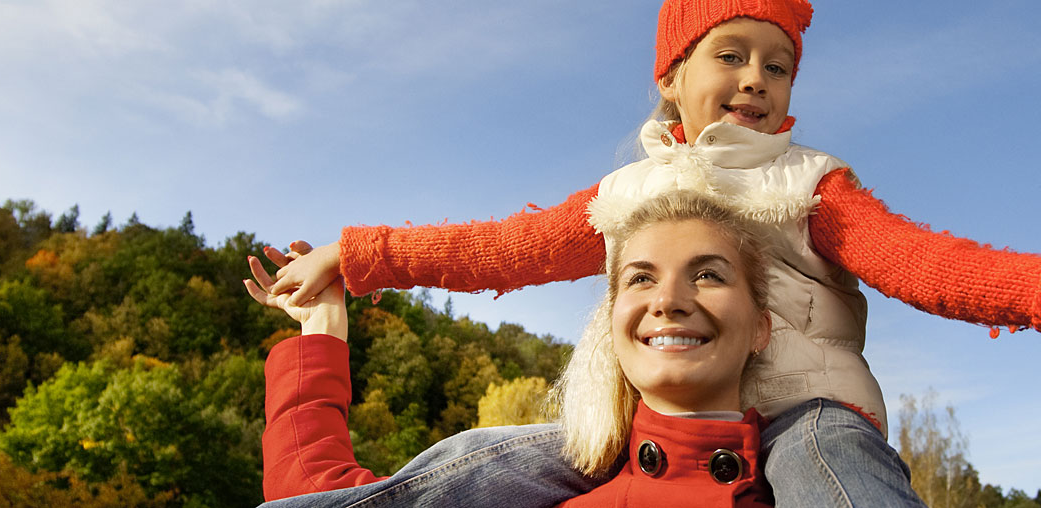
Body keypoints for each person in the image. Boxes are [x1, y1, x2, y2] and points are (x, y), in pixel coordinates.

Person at [259, 0, 1041, 505]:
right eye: (731, 55)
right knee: (474, 462)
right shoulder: (626, 192)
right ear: (673, 74)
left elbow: (929, 265)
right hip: (652, 430)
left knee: (842, 477)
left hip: (803, 417)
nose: (756, 80)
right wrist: (358, 256)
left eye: (778, 66)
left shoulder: (809, 183)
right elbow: (500, 249)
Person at [251, 192, 784, 507]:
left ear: (761, 328)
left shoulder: (833, 485)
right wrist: (322, 326)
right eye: (640, 279)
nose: (668, 300)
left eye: (709, 275)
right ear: (613, 321)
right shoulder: (530, 490)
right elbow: (318, 496)